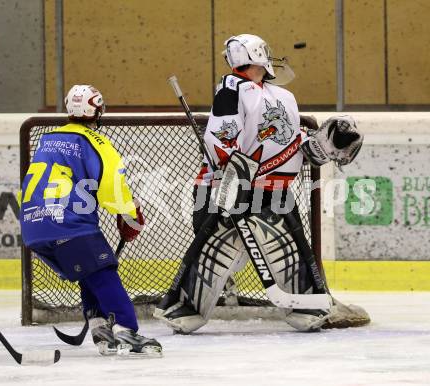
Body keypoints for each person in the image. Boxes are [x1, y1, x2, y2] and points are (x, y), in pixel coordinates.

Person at [154, 34, 365, 333]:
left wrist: (321, 146)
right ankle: (184, 308)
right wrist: (235, 179)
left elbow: (287, 144)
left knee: (292, 253)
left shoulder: (282, 97)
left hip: (272, 191)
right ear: (259, 55)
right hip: (226, 192)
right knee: (211, 256)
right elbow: (220, 141)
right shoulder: (232, 88)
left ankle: (313, 305)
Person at [19, 85, 162, 357]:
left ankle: (101, 330)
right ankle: (127, 332)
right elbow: (112, 187)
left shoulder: (47, 139)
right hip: (68, 223)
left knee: (90, 271)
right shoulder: (96, 142)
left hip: (33, 226)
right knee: (103, 270)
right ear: (98, 109)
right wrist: (130, 213)